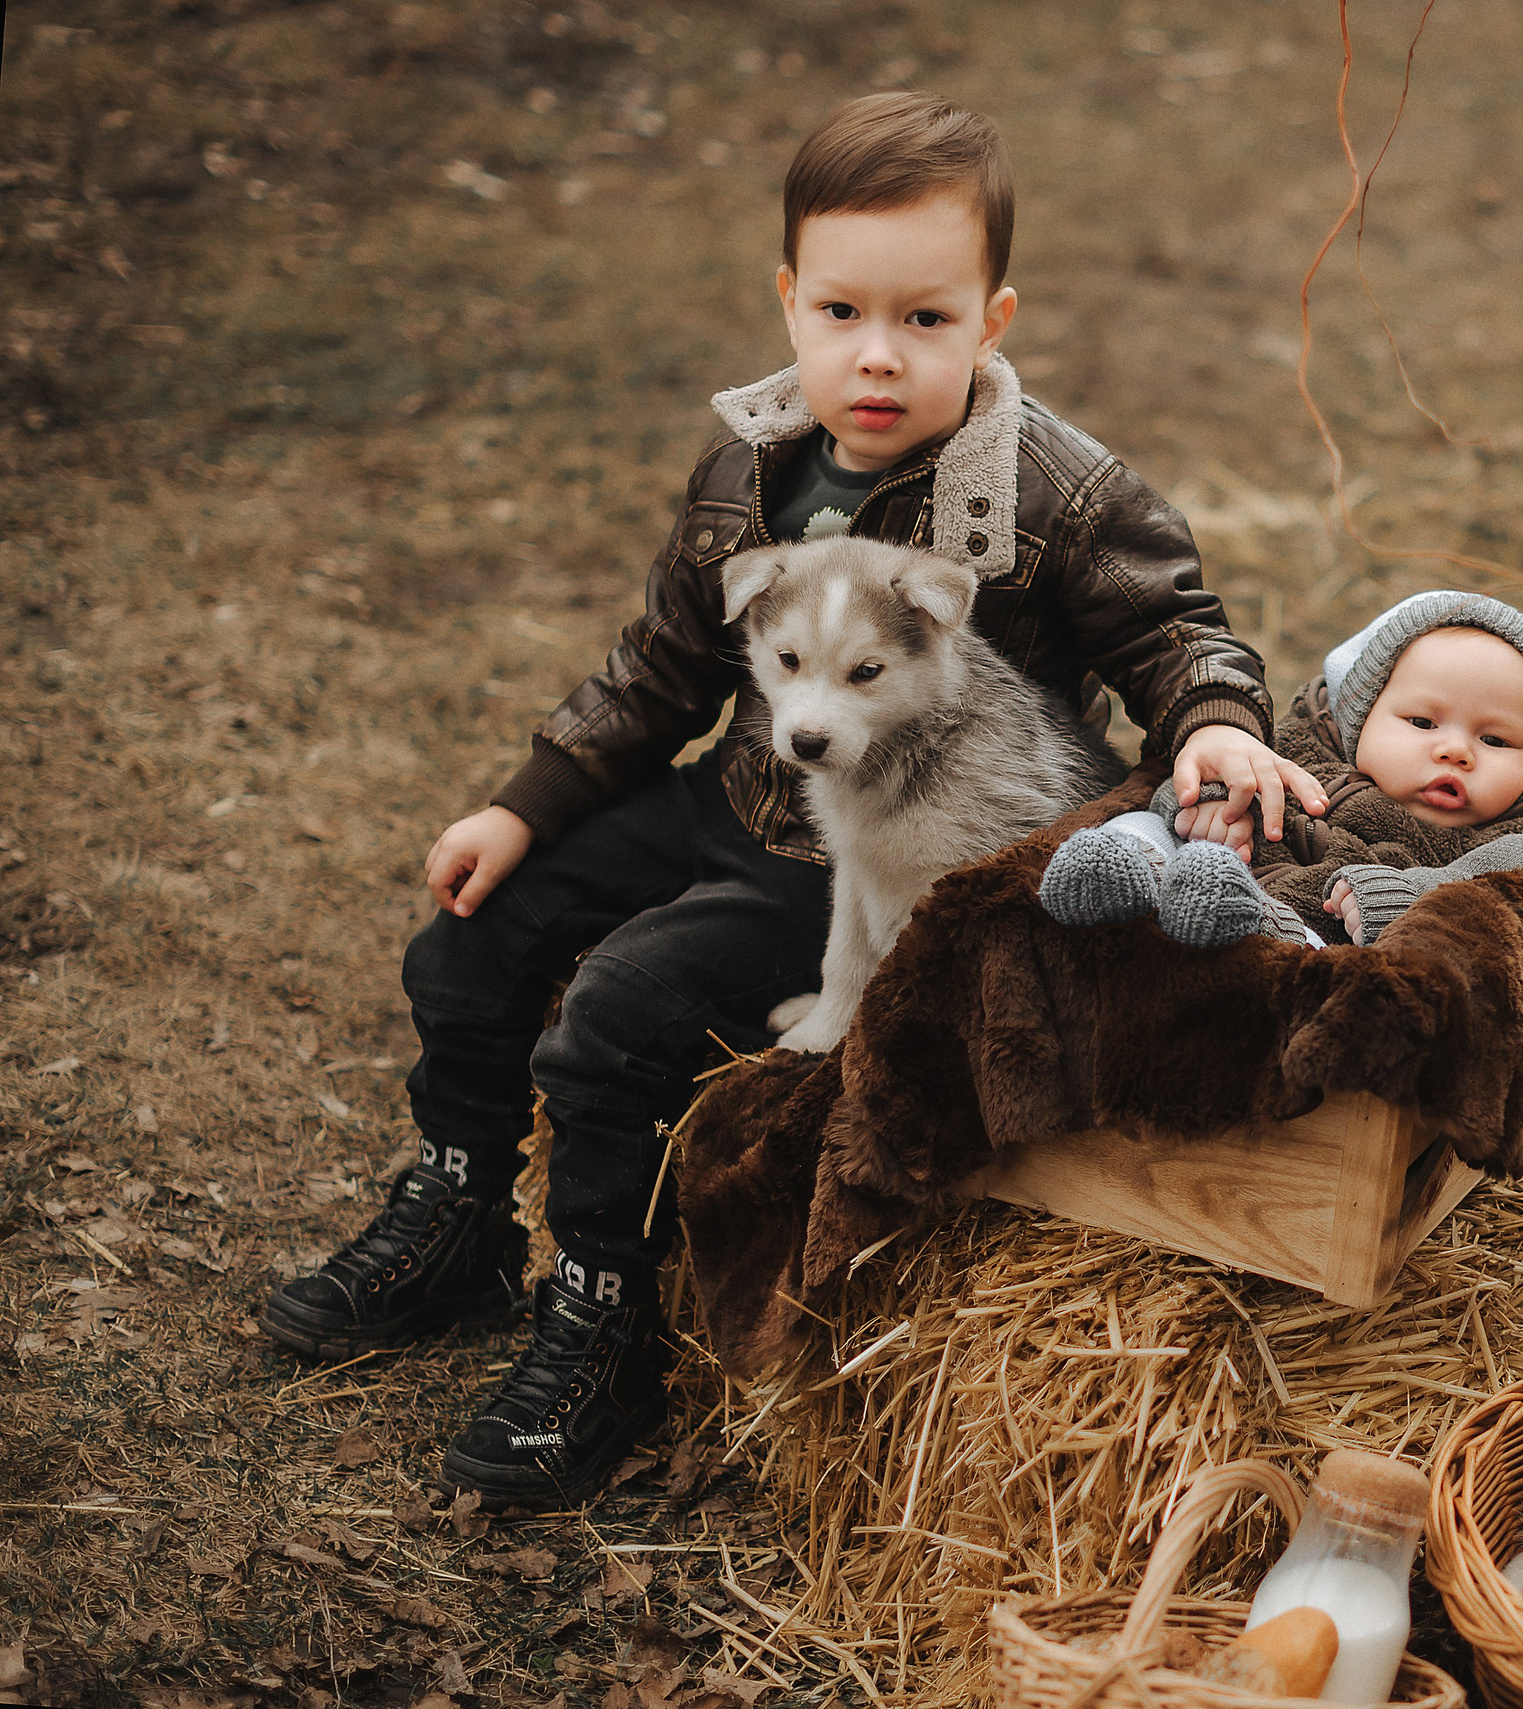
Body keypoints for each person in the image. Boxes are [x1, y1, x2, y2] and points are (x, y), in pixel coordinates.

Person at [259, 93, 1319, 1506]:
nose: (877, 354)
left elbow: (1178, 632)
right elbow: (661, 667)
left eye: (927, 320)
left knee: (619, 1022)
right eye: (840, 311)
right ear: (791, 301)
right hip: (732, 798)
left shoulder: (1058, 494)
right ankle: (456, 1202)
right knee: (474, 936)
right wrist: (529, 802)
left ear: (993, 318)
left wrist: (1222, 728)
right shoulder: (745, 468)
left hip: (858, 856)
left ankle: (609, 1317)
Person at [1039, 591, 1523, 947]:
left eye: (1495, 739)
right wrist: (1213, 807)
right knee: (1150, 821)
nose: (1456, 752)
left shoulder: (1521, 836)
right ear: (1357, 719)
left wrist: (1408, 896)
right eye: (1421, 723)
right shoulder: (1301, 755)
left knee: (1332, 969)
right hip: (1215, 866)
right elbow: (1193, 782)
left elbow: (1489, 896)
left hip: (1299, 934)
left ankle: (1243, 923)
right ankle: (1119, 870)